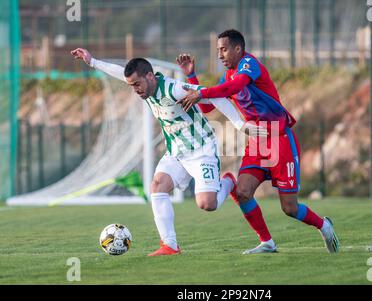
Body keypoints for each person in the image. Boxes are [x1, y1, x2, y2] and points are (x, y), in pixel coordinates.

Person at [71, 48, 267, 256]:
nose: (135, 90)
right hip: (176, 152)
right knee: (157, 186)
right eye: (132, 85)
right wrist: (92, 61)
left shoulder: (175, 88)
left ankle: (228, 181)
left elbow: (217, 98)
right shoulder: (144, 88)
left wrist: (239, 124)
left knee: (207, 204)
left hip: (201, 151)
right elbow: (120, 72)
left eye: (137, 84)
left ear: (149, 75)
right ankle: (170, 245)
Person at [177, 29, 340, 254]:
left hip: (279, 139)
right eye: (217, 51)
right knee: (243, 192)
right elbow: (206, 106)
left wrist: (203, 92)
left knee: (290, 208)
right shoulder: (227, 77)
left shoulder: (248, 64)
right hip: (257, 141)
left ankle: (324, 225)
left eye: (224, 50)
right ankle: (267, 242)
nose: (220, 55)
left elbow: (235, 87)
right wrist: (191, 77)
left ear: (238, 49)